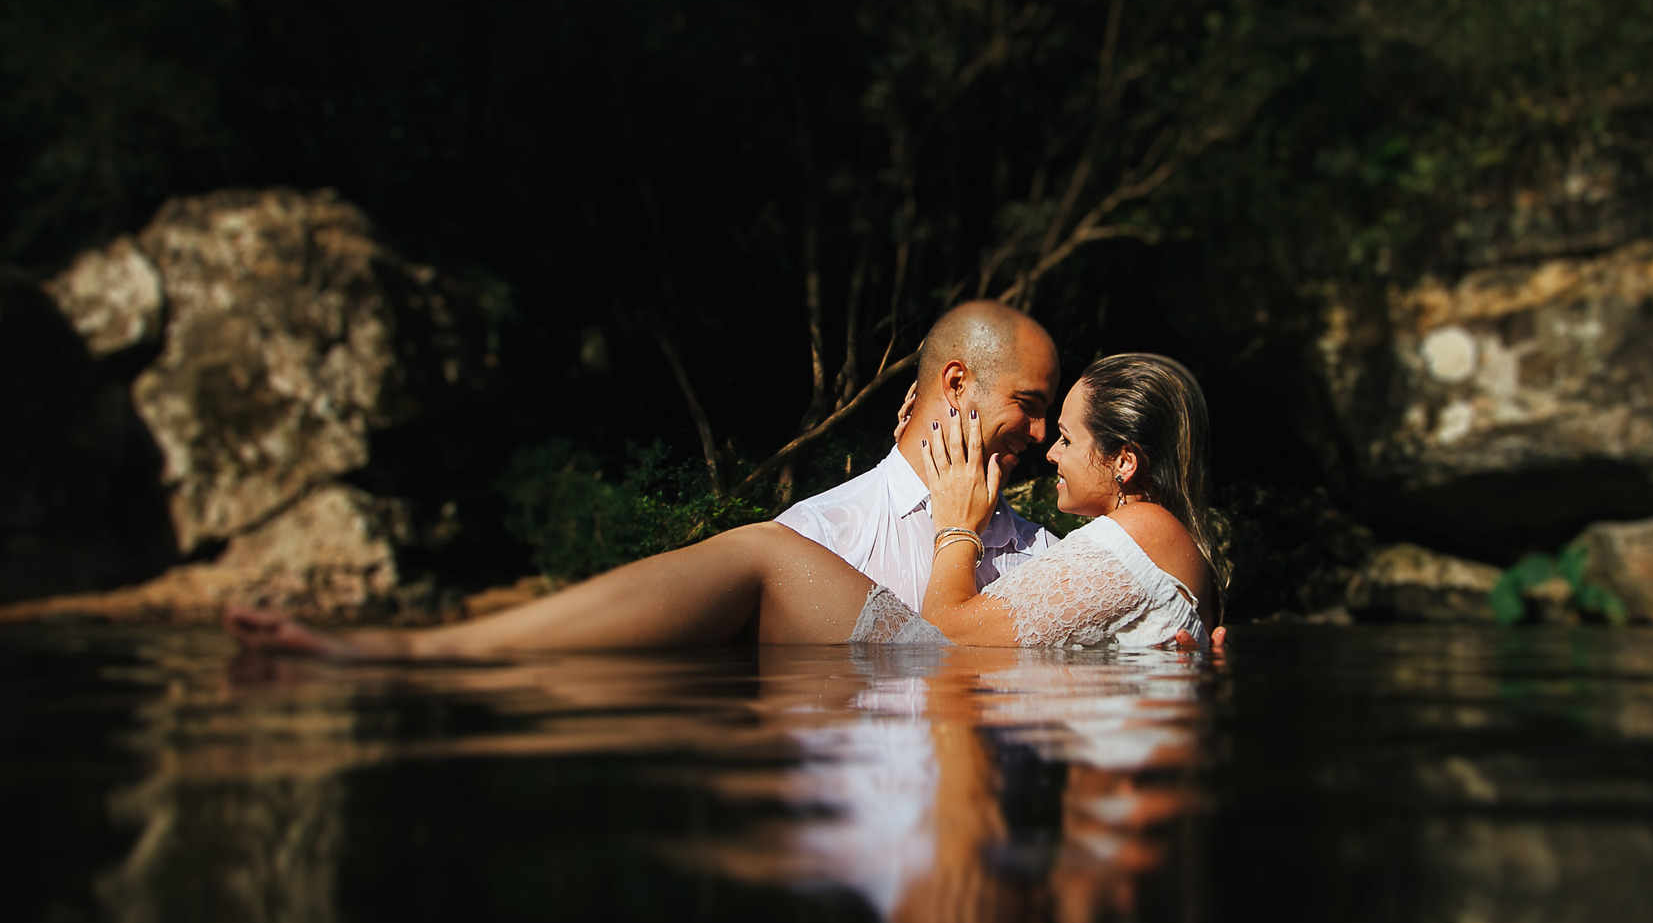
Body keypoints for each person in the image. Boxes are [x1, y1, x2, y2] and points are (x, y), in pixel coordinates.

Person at [224, 352, 1228, 658]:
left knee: (756, 554)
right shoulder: (1150, 541)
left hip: (938, 671)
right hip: (961, 689)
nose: (1049, 448)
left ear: (1127, 462)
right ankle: (459, 655)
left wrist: (961, 519)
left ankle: (423, 653)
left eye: (1069, 435)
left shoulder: (1136, 532)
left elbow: (959, 639)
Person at [776, 300, 1063, 609]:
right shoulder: (819, 534)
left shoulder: (1047, 557)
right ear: (957, 384)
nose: (1040, 434)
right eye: (1026, 403)